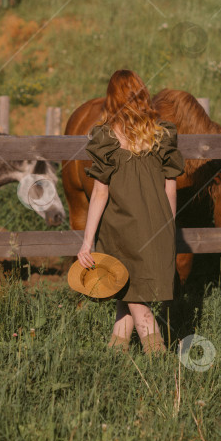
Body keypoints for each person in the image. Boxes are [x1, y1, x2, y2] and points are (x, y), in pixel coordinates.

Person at [77, 69, 185, 355]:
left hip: (121, 231)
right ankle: (115, 355)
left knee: (139, 305)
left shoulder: (107, 138)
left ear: (112, 100)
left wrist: (87, 242)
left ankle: (159, 359)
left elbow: (100, 192)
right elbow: (170, 187)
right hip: (158, 228)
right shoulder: (162, 134)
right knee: (125, 293)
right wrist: (168, 228)